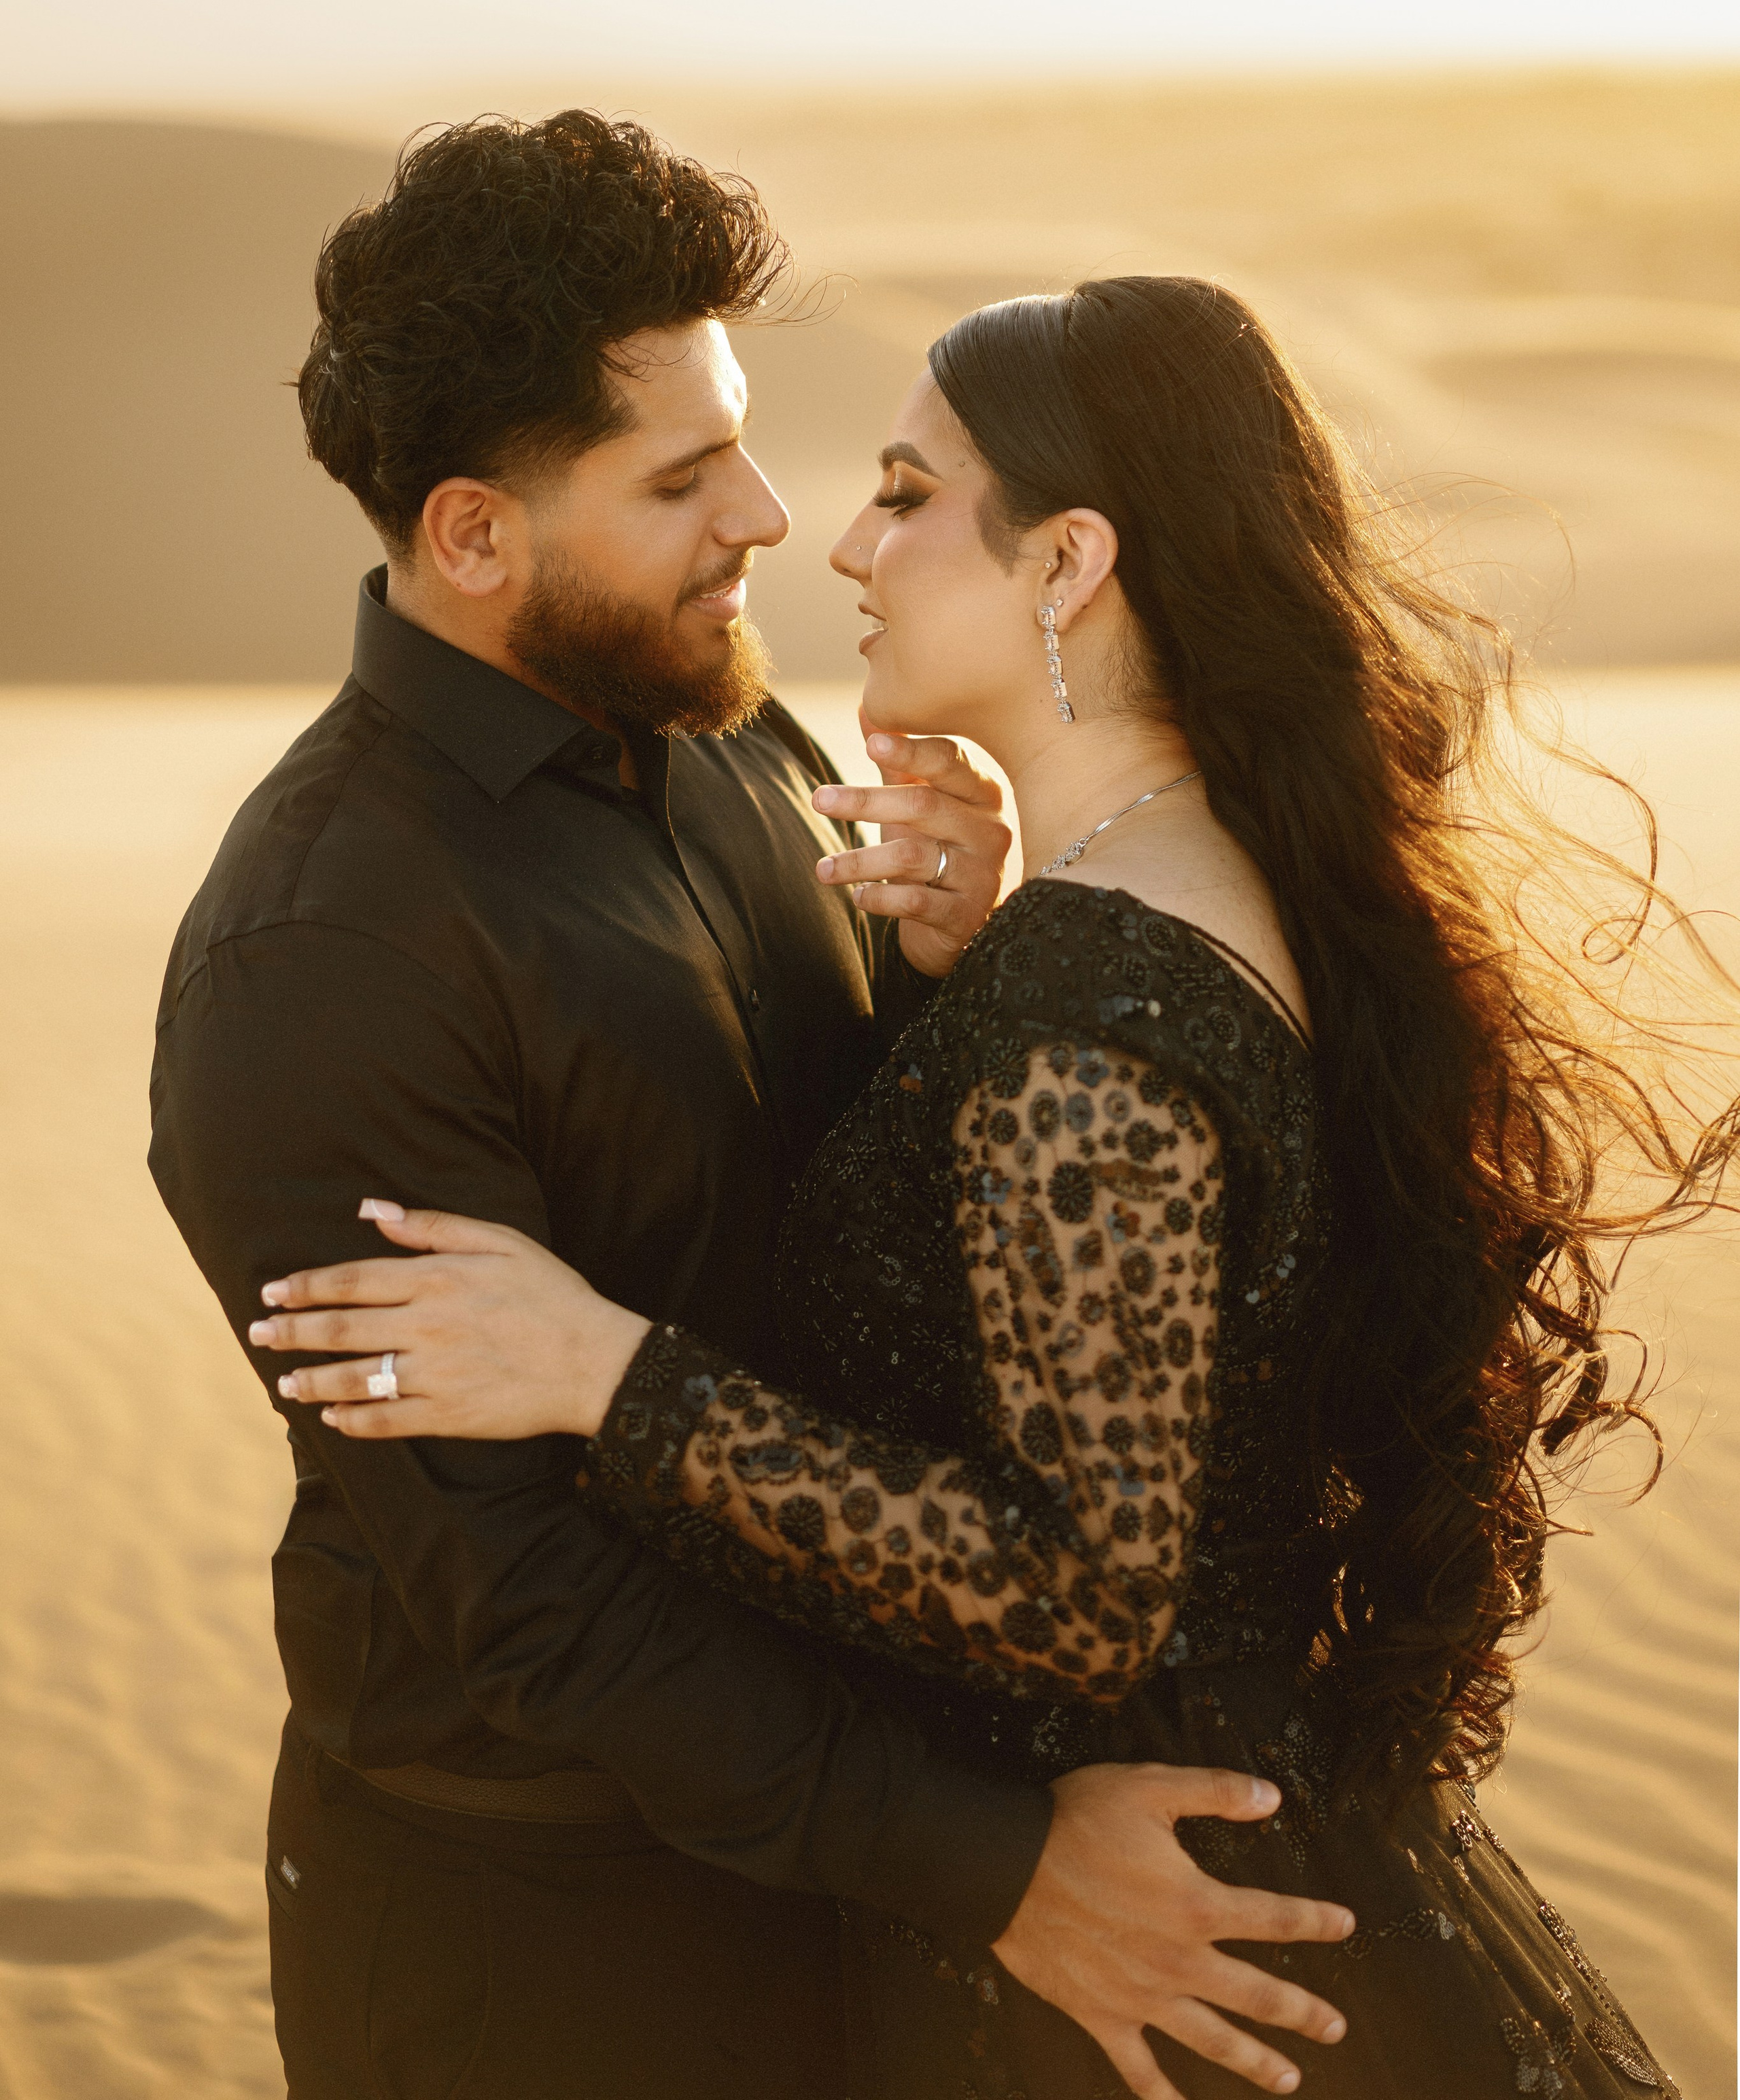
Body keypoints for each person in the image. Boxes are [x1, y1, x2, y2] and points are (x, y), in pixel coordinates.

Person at [254, 277, 1728, 2097]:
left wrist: (599, 1374)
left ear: (1068, 561)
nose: (841, 542)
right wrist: (959, 986)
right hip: (1246, 1841)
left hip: (1138, 1933)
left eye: (904, 488)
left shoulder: (1090, 998)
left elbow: (1072, 1589)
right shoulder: (1188, 888)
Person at [150, 122, 1354, 2100]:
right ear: (473, 534)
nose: (774, 518)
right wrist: (1002, 1871)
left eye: (750, 436)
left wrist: (961, 978)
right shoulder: (324, 961)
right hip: (548, 1951)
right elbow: (516, 1598)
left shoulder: (734, 737)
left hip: (852, 1885)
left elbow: (872, 1219)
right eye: (684, 474)